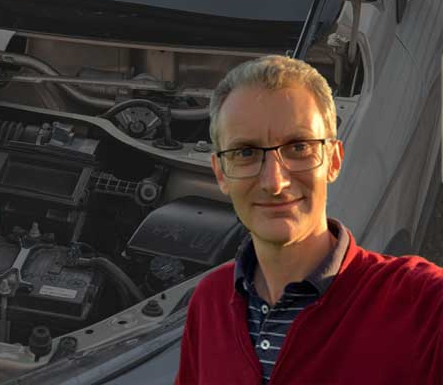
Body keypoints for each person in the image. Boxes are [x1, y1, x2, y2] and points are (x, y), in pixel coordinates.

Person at [175, 55, 443, 384]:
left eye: (299, 147)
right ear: (220, 173)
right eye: (245, 153)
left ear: (333, 160)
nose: (274, 182)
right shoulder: (208, 302)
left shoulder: (424, 304)